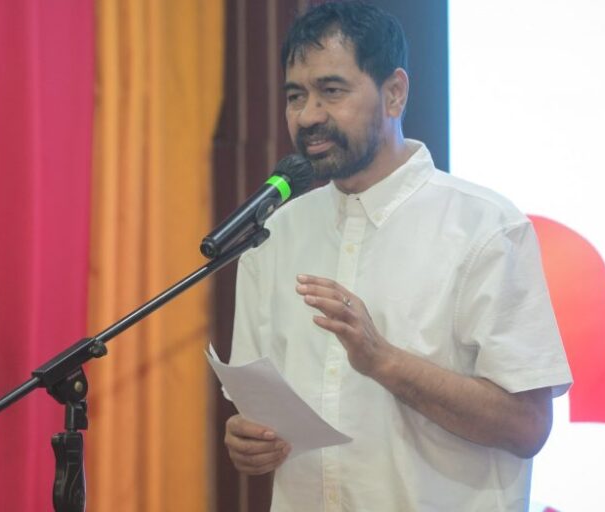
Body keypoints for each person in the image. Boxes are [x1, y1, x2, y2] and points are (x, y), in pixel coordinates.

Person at [222, 2, 573, 511]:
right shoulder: (273, 236)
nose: (309, 116)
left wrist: (383, 360)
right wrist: (248, 440)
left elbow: (527, 426)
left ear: (394, 93)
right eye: (295, 96)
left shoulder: (484, 227)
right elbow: (259, 409)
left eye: (332, 91)